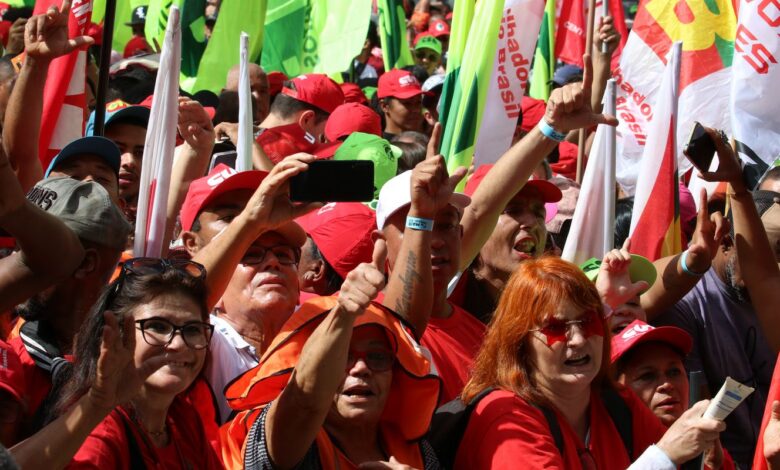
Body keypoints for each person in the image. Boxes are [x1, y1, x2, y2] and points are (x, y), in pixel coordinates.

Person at [455, 256, 727, 469]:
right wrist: (664, 456)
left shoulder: (618, 404)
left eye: (588, 321)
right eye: (555, 327)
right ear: (520, 341)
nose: (577, 339)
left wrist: (704, 461)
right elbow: (665, 457)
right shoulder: (505, 414)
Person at [221, 243, 441, 469]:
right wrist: (344, 311)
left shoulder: (418, 450)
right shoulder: (282, 436)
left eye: (377, 357)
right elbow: (304, 399)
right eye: (343, 356)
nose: (361, 368)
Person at [656, 127, 780, 467]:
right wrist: (737, 184)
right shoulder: (687, 306)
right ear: (726, 241)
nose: (775, 272)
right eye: (771, 256)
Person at [179, 159, 318, 423]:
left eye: (283, 254)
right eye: (251, 255)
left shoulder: (318, 323)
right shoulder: (212, 335)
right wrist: (251, 221)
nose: (273, 262)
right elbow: (181, 306)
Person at [55, 258, 221, 469]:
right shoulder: (97, 438)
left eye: (192, 329)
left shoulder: (184, 418)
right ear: (115, 335)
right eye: (158, 326)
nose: (178, 344)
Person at [7, 177, 131, 443]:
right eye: (17, 247)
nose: (13, 262)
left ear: (85, 263)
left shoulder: (137, 364)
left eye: (29, 252)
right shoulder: (9, 361)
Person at [612, 320, 735, 469]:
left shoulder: (711, 453)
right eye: (647, 376)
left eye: (674, 372)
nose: (667, 385)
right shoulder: (605, 454)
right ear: (616, 388)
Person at [377, 69, 430, 139]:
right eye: (407, 103)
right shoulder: (380, 145)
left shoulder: (430, 141)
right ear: (384, 106)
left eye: (418, 102)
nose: (415, 110)